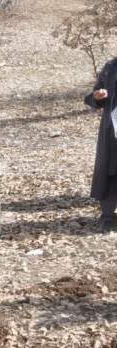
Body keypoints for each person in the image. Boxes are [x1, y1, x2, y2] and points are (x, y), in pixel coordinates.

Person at [85, 56, 117, 233]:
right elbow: (93, 97)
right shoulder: (112, 66)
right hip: (112, 129)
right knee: (111, 170)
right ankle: (108, 216)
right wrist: (97, 97)